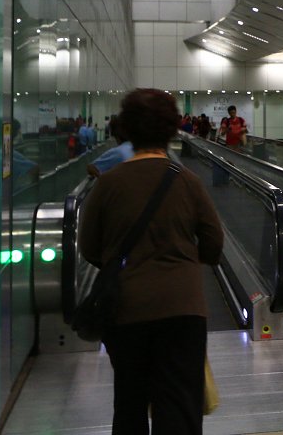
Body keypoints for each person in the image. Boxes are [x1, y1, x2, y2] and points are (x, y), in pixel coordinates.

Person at [78, 88, 224, 434]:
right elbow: (214, 246)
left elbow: (89, 249)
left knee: (129, 404)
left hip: (126, 310)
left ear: (125, 128)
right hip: (183, 310)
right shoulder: (188, 182)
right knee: (179, 408)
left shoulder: (108, 184)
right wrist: (183, 258)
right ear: (172, 129)